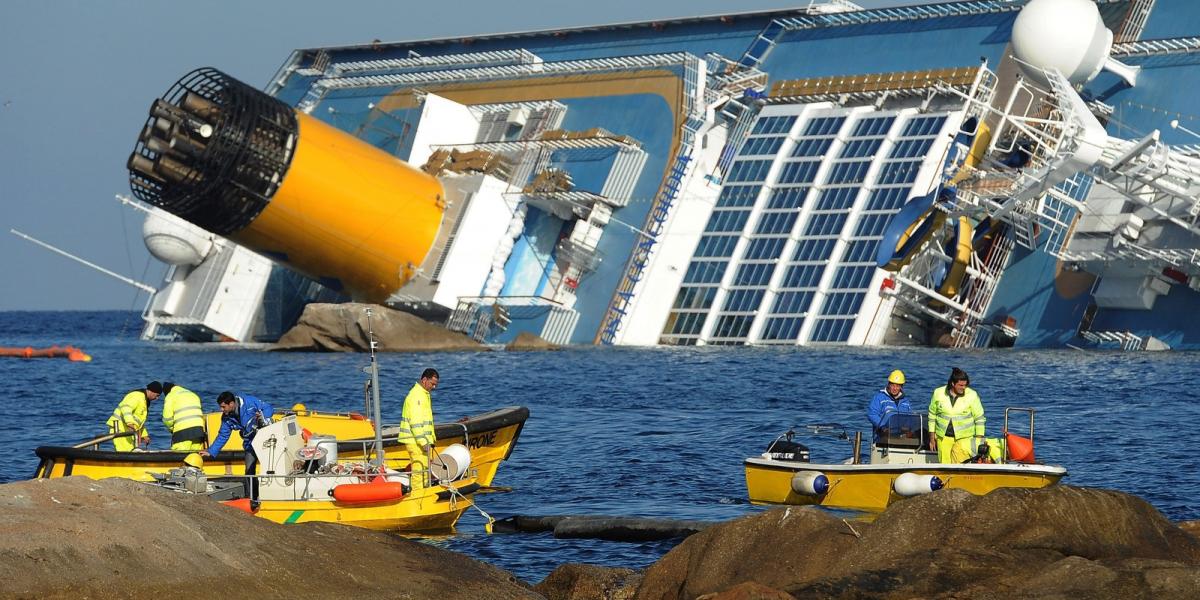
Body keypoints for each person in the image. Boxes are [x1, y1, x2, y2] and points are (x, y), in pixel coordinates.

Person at [201, 391, 274, 501]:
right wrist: (211, 451)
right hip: (250, 443)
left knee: (270, 468)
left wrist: (263, 416)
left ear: (231, 404)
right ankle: (252, 498)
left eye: (223, 407)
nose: (222, 410)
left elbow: (268, 407)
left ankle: (271, 495)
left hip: (266, 441)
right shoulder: (226, 418)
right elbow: (223, 435)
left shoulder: (250, 402)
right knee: (249, 471)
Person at [928, 367, 986, 463]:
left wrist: (979, 440)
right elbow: (932, 415)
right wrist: (931, 438)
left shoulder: (972, 395)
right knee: (944, 466)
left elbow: (979, 418)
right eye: (961, 385)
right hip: (943, 438)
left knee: (961, 466)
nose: (963, 388)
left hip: (964, 439)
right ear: (953, 383)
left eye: (965, 385)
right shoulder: (938, 393)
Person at [397, 368, 438, 491]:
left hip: (419, 441)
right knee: (419, 471)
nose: (434, 387)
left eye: (435, 384)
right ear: (424, 380)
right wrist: (423, 442)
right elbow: (415, 422)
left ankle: (423, 494)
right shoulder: (416, 396)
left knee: (424, 470)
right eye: (432, 384)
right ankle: (417, 497)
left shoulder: (423, 394)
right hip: (415, 442)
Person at [105, 381, 162, 451]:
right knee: (125, 453)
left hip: (128, 431)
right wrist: (129, 423)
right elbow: (126, 407)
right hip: (120, 429)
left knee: (130, 451)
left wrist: (144, 435)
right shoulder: (137, 396)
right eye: (157, 395)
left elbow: (139, 421)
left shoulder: (144, 401)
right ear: (152, 391)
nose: (157, 398)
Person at [867, 370, 913, 443]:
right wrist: (883, 427)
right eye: (893, 385)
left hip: (901, 437)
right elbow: (872, 414)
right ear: (889, 384)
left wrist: (908, 428)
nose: (895, 388)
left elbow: (910, 417)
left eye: (897, 386)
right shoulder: (879, 397)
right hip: (882, 436)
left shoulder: (905, 401)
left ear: (901, 387)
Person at [161, 382, 206, 452]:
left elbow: (167, 419)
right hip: (199, 430)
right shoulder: (193, 394)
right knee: (195, 456)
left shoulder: (170, 396)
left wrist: (172, 429)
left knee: (179, 455)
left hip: (182, 432)